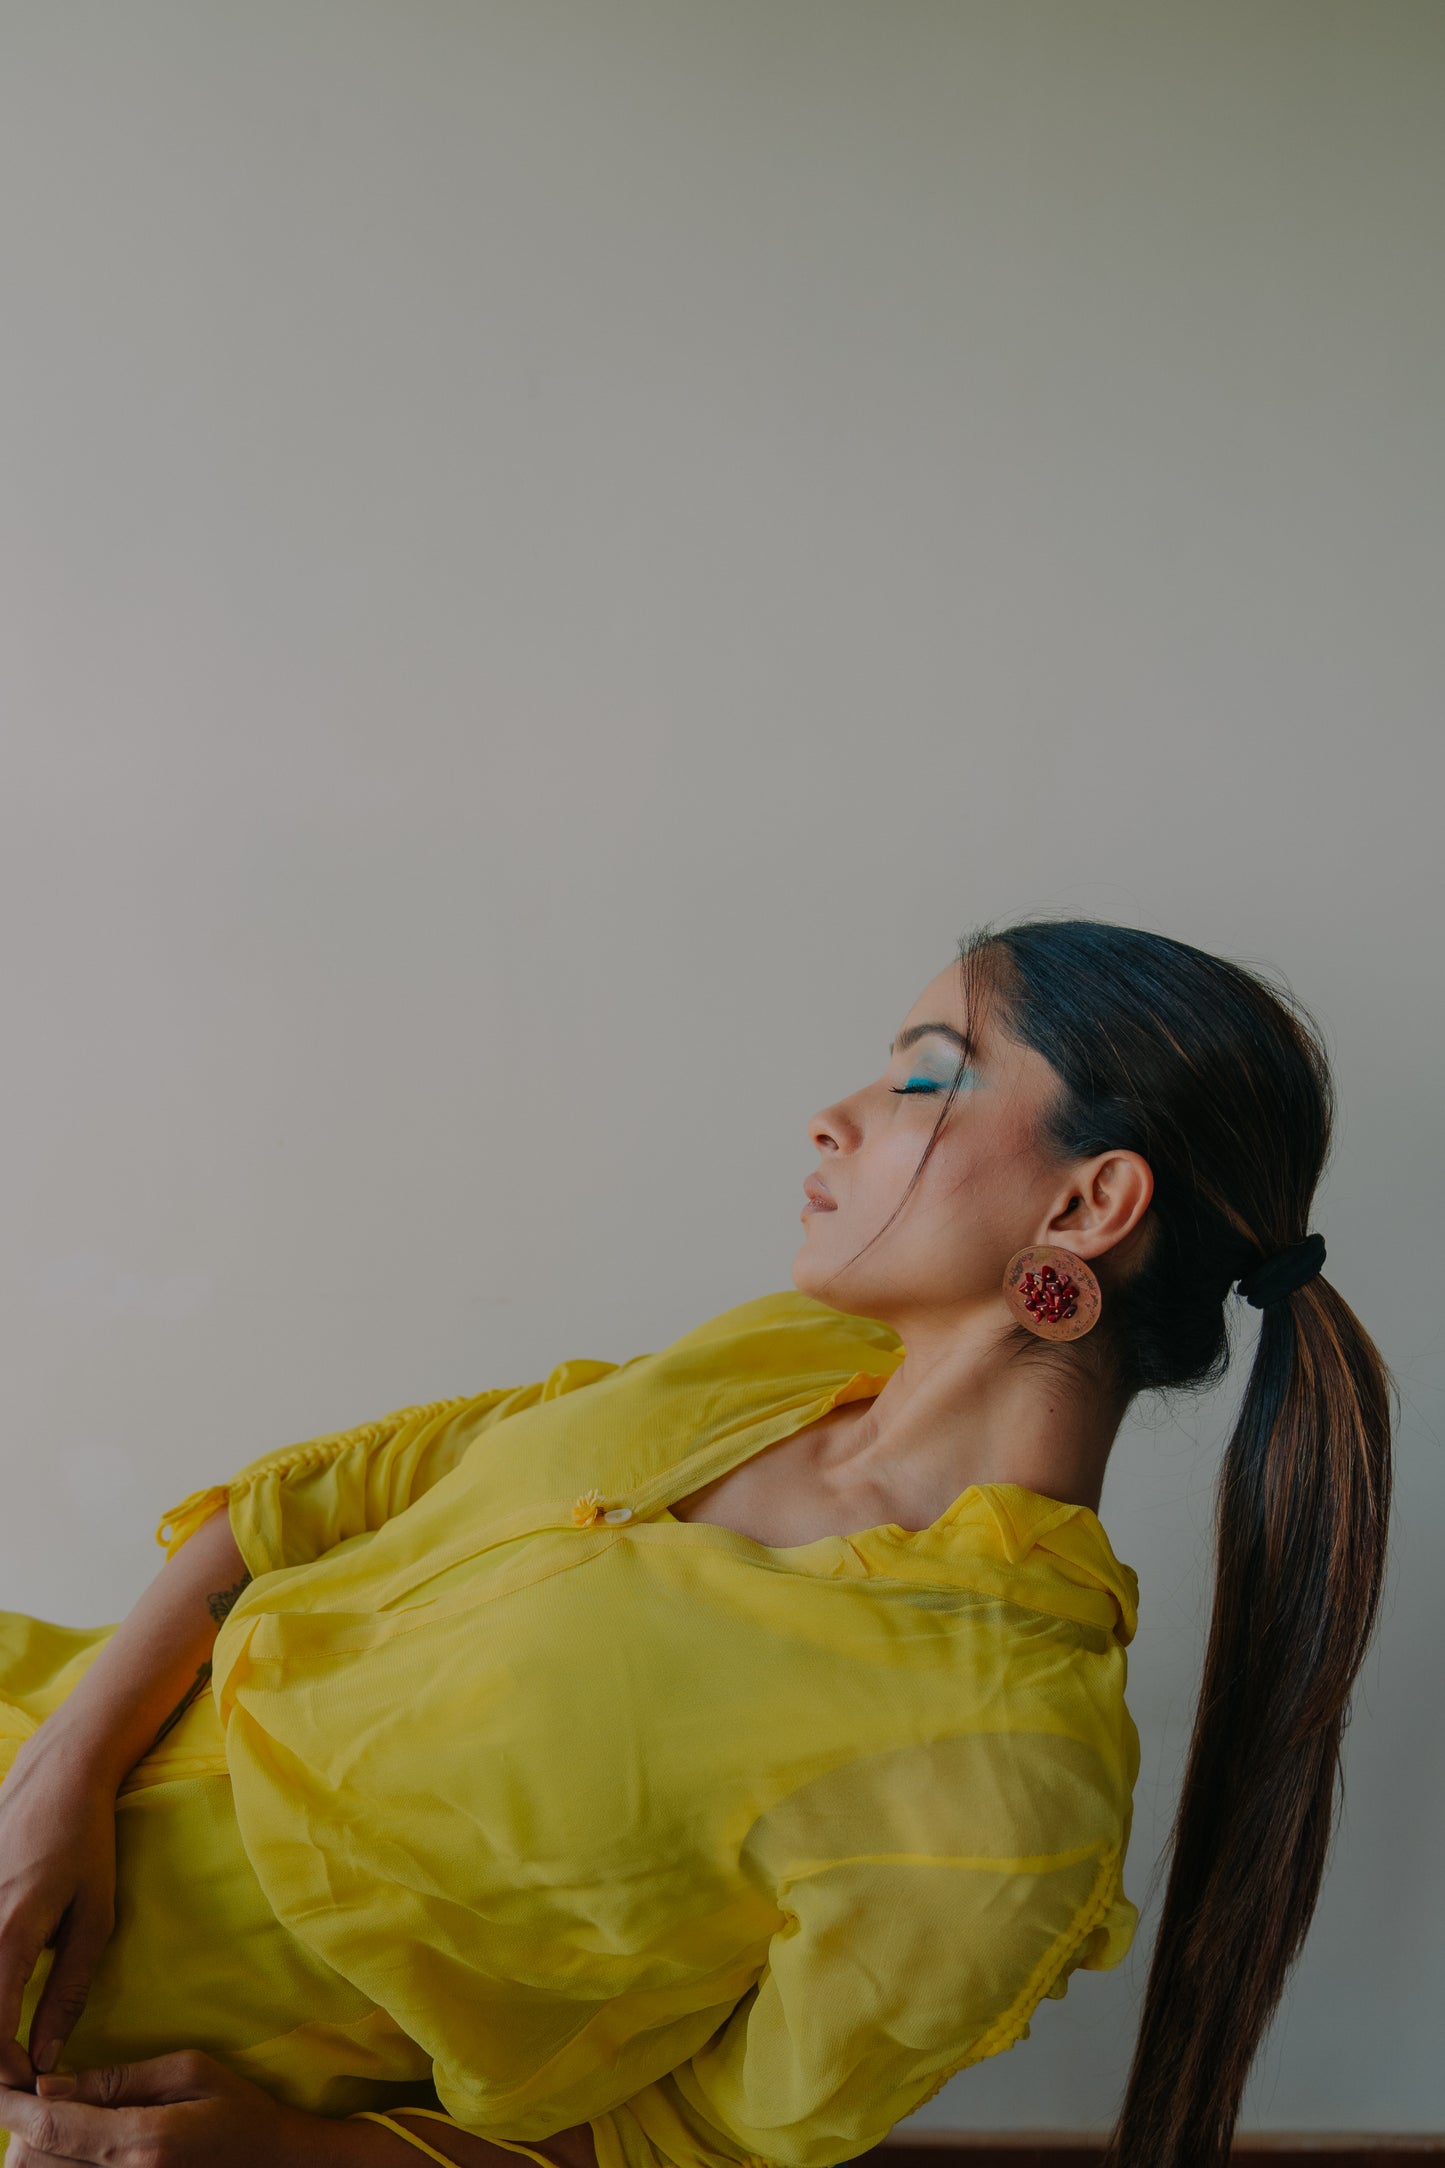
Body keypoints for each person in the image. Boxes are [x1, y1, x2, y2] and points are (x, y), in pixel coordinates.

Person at [0, 916, 1393, 2168]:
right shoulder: (787, 1353)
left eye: (922, 1075)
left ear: (1085, 1206)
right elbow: (346, 1490)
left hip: (71, 2089)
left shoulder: (1003, 1779)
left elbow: (689, 2149)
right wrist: (69, 1768)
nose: (831, 1118)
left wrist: (299, 2162)